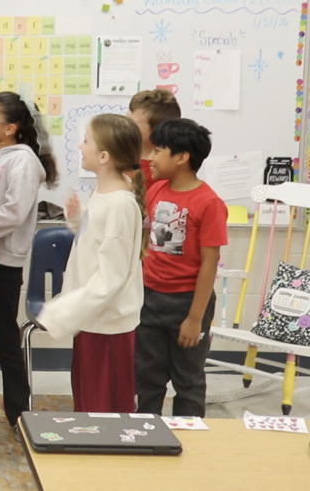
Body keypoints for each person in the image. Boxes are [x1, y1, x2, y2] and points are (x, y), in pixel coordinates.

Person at [35, 114, 147, 413]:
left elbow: (111, 277)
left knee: (105, 408)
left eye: (86, 140)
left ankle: (107, 458)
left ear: (104, 156)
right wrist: (78, 217)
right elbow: (94, 241)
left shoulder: (121, 204)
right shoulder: (104, 194)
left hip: (107, 324)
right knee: (87, 402)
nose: (80, 146)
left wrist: (65, 310)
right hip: (93, 319)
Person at [0, 92, 58, 437]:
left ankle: (18, 414)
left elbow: (14, 213)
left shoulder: (22, 161)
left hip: (2, 265)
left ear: (11, 128)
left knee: (5, 338)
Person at [135, 119, 226, 417]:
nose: (151, 158)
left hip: (187, 302)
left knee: (187, 380)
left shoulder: (208, 202)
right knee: (148, 377)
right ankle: (148, 431)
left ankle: (193, 442)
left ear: (182, 157)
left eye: (158, 150)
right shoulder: (157, 189)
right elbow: (147, 240)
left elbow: (209, 265)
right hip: (150, 298)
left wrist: (195, 318)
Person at [127, 89, 181, 188]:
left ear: (157, 130)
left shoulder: (163, 170)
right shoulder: (120, 156)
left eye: (132, 123)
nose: (125, 125)